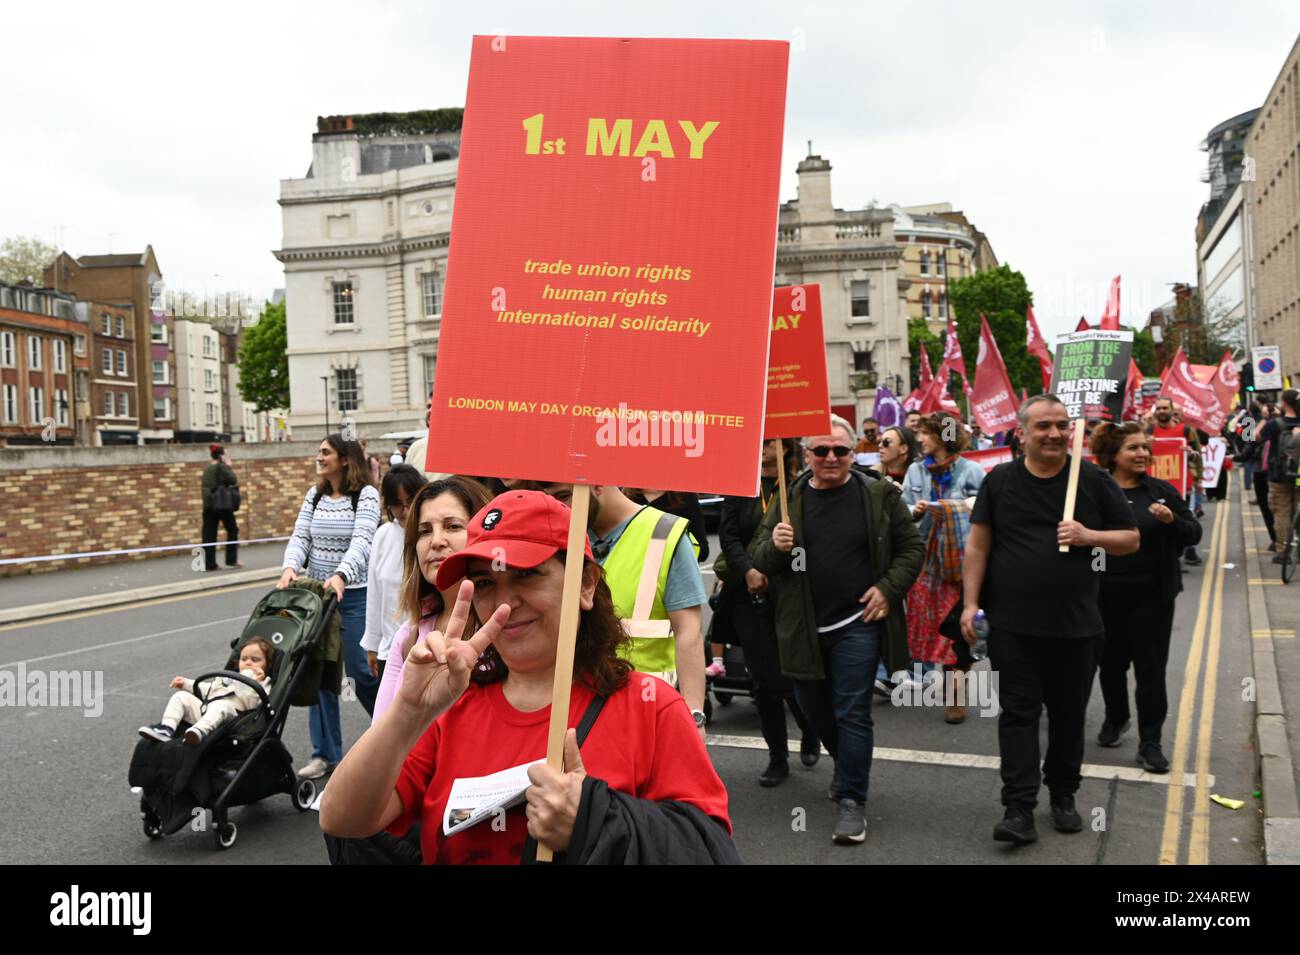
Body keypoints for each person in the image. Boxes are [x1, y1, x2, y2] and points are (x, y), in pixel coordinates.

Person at [320, 490, 737, 864]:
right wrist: (408, 713)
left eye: (527, 574)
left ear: (586, 585)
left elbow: (708, 848)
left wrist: (593, 817)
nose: (504, 604)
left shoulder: (652, 706)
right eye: (485, 583)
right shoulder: (450, 708)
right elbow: (343, 818)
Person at [961, 395, 1138, 844]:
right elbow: (978, 546)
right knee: (1018, 716)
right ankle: (1018, 808)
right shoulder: (999, 480)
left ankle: (1063, 793)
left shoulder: (1094, 480)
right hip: (1013, 625)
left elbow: (1130, 539)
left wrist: (1088, 535)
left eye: (1061, 425)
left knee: (1067, 715)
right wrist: (970, 604)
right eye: (1043, 426)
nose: (1055, 433)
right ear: (1022, 433)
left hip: (1077, 626)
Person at [751, 414, 924, 845]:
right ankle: (846, 766)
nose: (831, 458)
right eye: (822, 450)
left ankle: (851, 801)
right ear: (807, 455)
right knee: (812, 708)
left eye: (841, 450)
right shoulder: (789, 499)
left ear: (853, 454)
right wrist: (775, 546)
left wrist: (887, 589)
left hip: (858, 624)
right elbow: (758, 556)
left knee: (852, 712)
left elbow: (911, 547)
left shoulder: (877, 493)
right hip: (803, 626)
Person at [544, 483, 708, 734]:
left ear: (598, 484)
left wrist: (694, 715)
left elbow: (689, 632)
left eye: (565, 496)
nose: (561, 508)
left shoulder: (664, 533)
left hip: (646, 712)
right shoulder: (561, 534)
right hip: (570, 709)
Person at [1090, 423, 1201, 773]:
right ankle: (1116, 717)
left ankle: (1150, 741)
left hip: (1153, 597)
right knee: (1110, 665)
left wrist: (1171, 521)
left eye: (1144, 448)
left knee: (1150, 671)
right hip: (1105, 596)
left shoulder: (1161, 492)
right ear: (1112, 455)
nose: (1142, 454)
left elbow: (1193, 532)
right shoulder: (1095, 492)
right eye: (1132, 448)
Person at [716, 439, 820, 786]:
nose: (760, 451)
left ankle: (810, 730)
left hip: (789, 594)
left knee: (792, 674)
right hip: (748, 594)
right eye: (756, 445)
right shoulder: (740, 485)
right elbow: (728, 537)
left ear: (786, 449)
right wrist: (748, 571)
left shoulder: (798, 488)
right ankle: (777, 757)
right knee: (762, 680)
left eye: (767, 445)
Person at [280, 434, 382, 780]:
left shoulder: (365, 496)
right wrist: (290, 566)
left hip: (353, 596)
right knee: (320, 674)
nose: (318, 457)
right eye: (319, 451)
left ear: (344, 459)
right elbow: (300, 536)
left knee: (361, 672)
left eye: (325, 452)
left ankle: (393, 736)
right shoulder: (316, 495)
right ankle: (325, 753)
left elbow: (363, 542)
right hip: (319, 598)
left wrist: (341, 574)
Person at [371, 476, 495, 721]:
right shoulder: (408, 637)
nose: (437, 541)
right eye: (425, 531)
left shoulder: (511, 625)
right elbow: (379, 737)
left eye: (453, 526)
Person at [900, 413, 985, 723]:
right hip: (925, 564)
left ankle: (955, 694)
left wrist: (956, 508)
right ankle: (942, 678)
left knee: (958, 630)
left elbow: (984, 508)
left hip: (961, 565)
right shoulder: (915, 471)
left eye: (926, 434)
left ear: (943, 436)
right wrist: (916, 510)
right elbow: (903, 508)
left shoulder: (972, 470)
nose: (919, 439)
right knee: (931, 626)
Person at [138, 638, 273, 746]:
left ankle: (198, 732)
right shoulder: (228, 677)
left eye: (255, 660)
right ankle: (166, 728)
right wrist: (185, 683)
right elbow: (208, 690)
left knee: (221, 705)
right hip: (207, 710)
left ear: (267, 664)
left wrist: (255, 683)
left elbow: (254, 705)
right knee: (181, 697)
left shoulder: (263, 682)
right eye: (244, 659)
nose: (248, 663)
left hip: (233, 718)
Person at [362, 464, 429, 681]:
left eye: (411, 501)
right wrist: (373, 644)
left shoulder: (431, 534)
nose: (406, 511)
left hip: (427, 647)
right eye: (398, 504)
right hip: (390, 650)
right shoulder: (383, 535)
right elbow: (374, 594)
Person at [1147, 399, 1203, 565]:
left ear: (1172, 410)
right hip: (1156, 486)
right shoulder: (1149, 431)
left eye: (1165, 408)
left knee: (1182, 519)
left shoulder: (1186, 431)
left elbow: (1198, 456)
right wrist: (1145, 445)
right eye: (1159, 408)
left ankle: (1188, 550)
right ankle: (1171, 556)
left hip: (1182, 485)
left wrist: (1191, 454)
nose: (1161, 411)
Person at [1258, 389, 1300, 563]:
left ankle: (1283, 551)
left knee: (1281, 513)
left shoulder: (1275, 424)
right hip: (1299, 475)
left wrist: (1264, 419)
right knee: (1298, 511)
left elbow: (1253, 438)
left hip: (1279, 475)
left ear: (1283, 403)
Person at [200, 443, 241, 571]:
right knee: (232, 529)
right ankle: (231, 560)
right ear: (221, 455)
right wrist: (228, 467)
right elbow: (233, 480)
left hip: (209, 505)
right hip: (222, 504)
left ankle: (209, 564)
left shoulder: (207, 469)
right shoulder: (222, 467)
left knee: (209, 534)